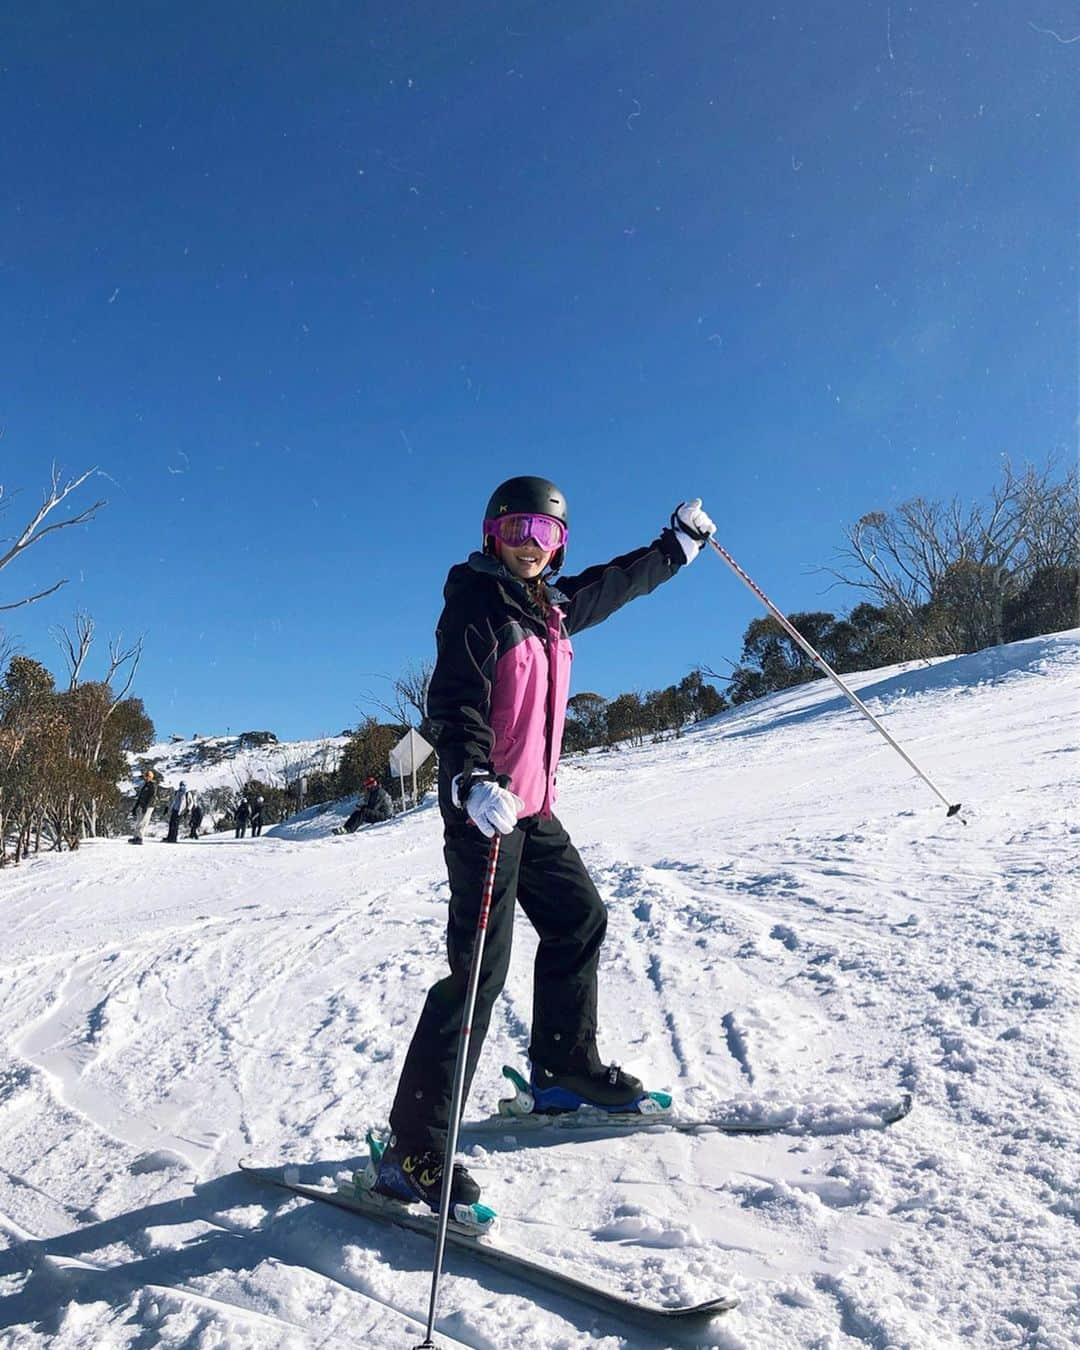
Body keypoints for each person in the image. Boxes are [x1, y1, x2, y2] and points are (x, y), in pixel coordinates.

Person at [371, 476, 715, 1216]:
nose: (534, 545)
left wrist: (675, 550)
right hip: (484, 814)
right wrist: (467, 781)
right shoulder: (474, 601)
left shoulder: (551, 608)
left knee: (578, 919)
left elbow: (612, 585)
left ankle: (563, 1070)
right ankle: (412, 1149)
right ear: (494, 533)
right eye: (521, 529)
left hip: (534, 812)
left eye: (549, 534)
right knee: (475, 978)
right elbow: (456, 702)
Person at [129, 770, 157, 844]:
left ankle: (140, 838)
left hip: (149, 806)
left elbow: (151, 797)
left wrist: (146, 806)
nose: (146, 778)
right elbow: (140, 797)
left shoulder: (152, 785)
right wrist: (135, 807)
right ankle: (136, 837)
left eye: (148, 776)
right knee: (139, 821)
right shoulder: (145, 785)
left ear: (151, 777)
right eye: (146, 776)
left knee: (143, 822)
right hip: (142, 805)